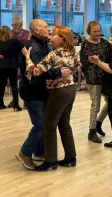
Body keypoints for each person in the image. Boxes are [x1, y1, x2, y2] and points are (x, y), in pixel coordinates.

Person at [22, 25, 79, 171]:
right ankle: (70, 158)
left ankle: (50, 161)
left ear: (62, 39)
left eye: (53, 35)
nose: (50, 37)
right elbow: (77, 67)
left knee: (49, 126)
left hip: (58, 92)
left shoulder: (53, 54)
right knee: (65, 124)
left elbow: (34, 71)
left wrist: (27, 57)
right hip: (71, 90)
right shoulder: (72, 51)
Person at [16, 19, 66, 170]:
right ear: (37, 30)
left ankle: (40, 151)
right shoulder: (31, 47)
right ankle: (25, 153)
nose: (49, 29)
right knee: (41, 124)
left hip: (41, 91)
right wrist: (59, 72)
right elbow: (37, 71)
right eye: (45, 27)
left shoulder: (44, 44)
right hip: (33, 92)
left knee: (45, 123)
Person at [80, 21, 111, 144]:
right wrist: (90, 61)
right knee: (95, 105)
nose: (98, 33)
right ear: (89, 32)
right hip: (93, 78)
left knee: (110, 103)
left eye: (99, 31)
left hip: (106, 77)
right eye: (95, 31)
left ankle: (98, 123)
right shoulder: (85, 44)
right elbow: (83, 61)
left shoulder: (105, 43)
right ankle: (91, 131)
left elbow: (111, 57)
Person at [0, 26, 22, 111]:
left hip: (1, 65)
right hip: (12, 65)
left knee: (2, 84)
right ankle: (16, 105)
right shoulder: (15, 42)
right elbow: (18, 52)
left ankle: (0, 103)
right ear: (9, 32)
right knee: (14, 85)